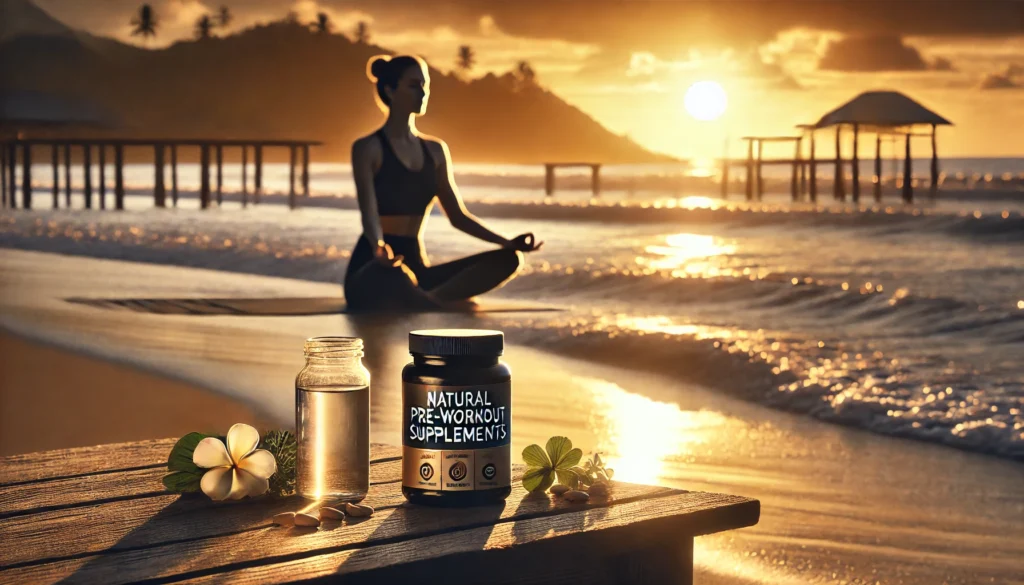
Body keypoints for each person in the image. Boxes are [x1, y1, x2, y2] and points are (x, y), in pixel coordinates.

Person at [344, 55, 542, 311]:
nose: (423, 93)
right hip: (376, 267)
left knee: (510, 260)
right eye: (414, 85)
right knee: (398, 276)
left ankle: (429, 301)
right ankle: (428, 302)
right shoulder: (368, 148)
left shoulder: (435, 151)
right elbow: (369, 212)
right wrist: (378, 247)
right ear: (391, 91)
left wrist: (506, 242)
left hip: (417, 268)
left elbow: (458, 217)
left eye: (425, 85)